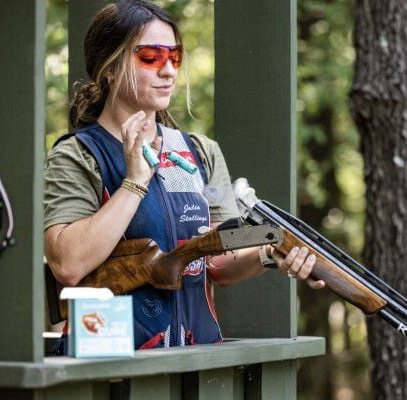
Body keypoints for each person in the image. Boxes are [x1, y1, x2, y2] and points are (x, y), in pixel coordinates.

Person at [44, 0, 324, 350]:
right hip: (111, 363)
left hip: (196, 361)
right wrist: (134, 182)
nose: (168, 71)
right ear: (110, 67)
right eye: (151, 57)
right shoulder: (77, 154)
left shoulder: (202, 151)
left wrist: (268, 255)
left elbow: (219, 261)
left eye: (174, 57)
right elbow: (67, 264)